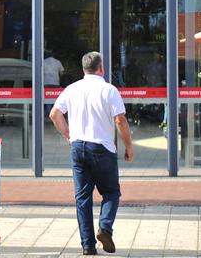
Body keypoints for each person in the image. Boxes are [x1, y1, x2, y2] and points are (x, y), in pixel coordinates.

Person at [49, 51, 134, 255]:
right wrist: (128, 146)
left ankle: (87, 246)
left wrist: (69, 135)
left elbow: (54, 114)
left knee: (83, 198)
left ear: (83, 69)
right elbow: (120, 120)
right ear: (101, 68)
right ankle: (104, 227)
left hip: (78, 147)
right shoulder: (109, 90)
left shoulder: (72, 89)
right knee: (111, 192)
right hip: (102, 148)